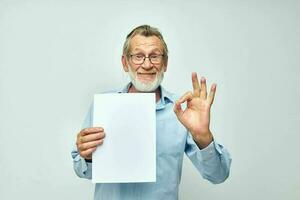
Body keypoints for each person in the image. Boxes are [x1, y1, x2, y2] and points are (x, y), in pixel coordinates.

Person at [71, 25, 232, 200]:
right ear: (125, 63)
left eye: (154, 56)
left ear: (165, 63)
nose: (147, 65)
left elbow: (218, 175)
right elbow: (83, 171)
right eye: (138, 56)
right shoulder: (102, 105)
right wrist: (86, 157)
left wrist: (203, 136)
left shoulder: (182, 111)